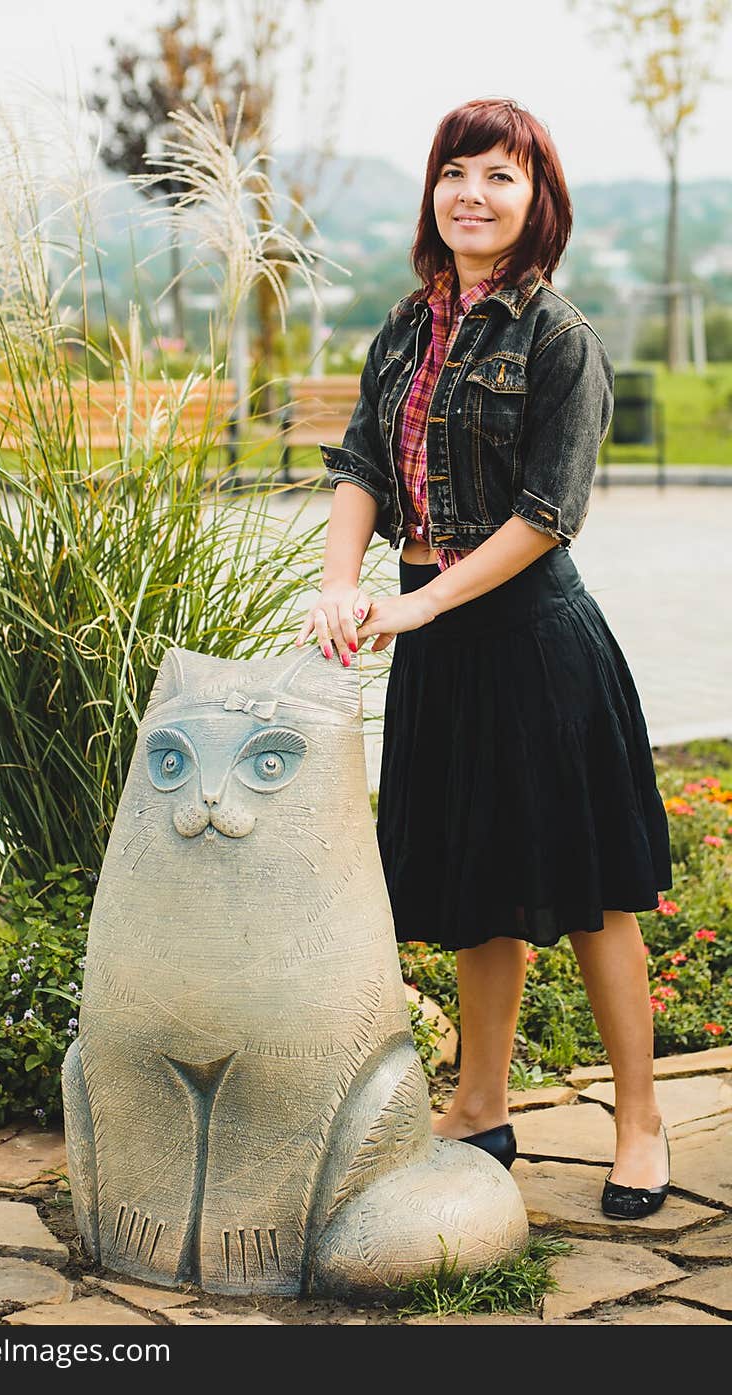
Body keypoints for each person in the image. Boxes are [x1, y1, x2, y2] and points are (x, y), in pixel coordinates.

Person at [294, 97, 673, 1220]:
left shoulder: (559, 340)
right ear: (433, 191)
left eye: (499, 176)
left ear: (536, 201)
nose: (473, 193)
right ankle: (480, 1104)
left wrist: (415, 609)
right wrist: (341, 580)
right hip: (437, 642)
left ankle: (641, 1124)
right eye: (457, 171)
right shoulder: (408, 326)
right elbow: (363, 459)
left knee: (596, 891)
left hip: (533, 643)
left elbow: (547, 515)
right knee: (475, 880)